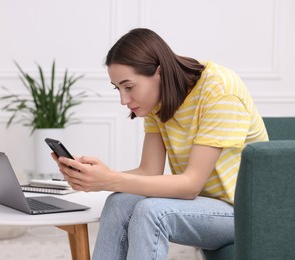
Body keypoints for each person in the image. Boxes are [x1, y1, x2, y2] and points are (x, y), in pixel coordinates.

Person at [52, 28, 268, 259]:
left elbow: (190, 185)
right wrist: (94, 178)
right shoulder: (159, 98)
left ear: (159, 72)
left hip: (245, 214)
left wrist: (109, 179)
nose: (124, 100)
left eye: (129, 87)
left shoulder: (219, 90)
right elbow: (149, 171)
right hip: (202, 206)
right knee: (119, 201)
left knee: (152, 212)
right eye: (118, 89)